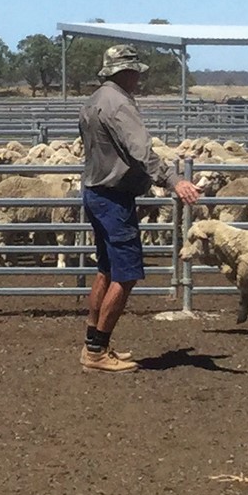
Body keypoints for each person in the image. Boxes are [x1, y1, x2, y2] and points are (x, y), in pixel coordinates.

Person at [77, 43, 201, 373]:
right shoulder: (119, 104)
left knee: (106, 269)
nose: (138, 80)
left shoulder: (94, 101)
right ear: (127, 72)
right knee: (126, 274)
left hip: (94, 191)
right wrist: (175, 181)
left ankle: (93, 344)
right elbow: (142, 151)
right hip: (114, 198)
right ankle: (97, 352)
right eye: (136, 73)